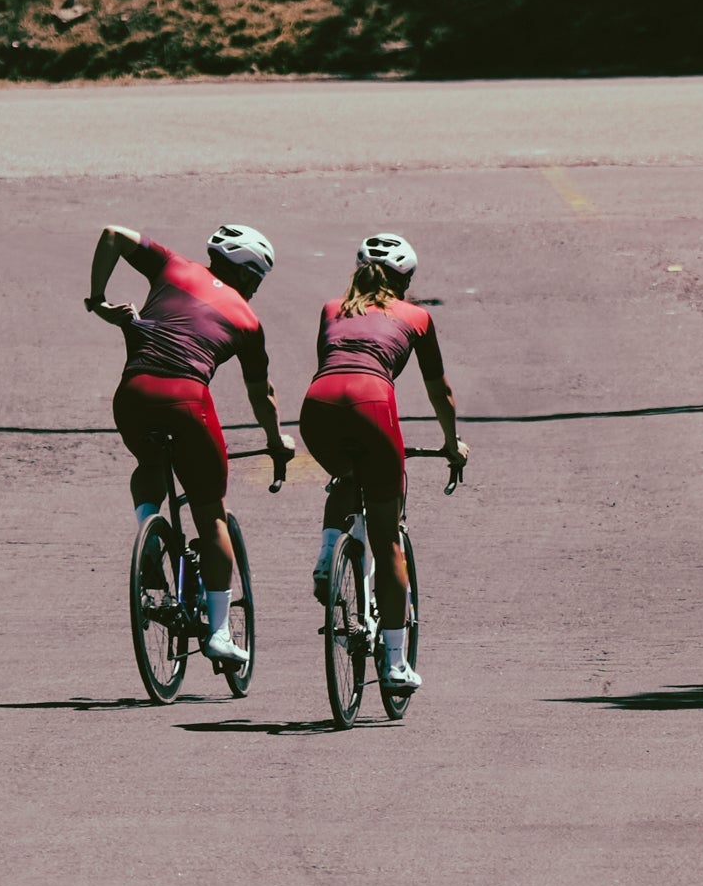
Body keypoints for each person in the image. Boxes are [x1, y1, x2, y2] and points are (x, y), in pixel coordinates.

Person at [86, 221, 293, 670]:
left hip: (133, 392)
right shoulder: (247, 320)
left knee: (150, 459)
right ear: (250, 275)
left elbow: (113, 234)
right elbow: (263, 393)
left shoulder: (173, 266)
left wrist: (98, 300)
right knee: (210, 511)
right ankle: (218, 632)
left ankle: (150, 533)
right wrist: (277, 442)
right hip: (187, 400)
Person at [297, 232, 466, 692]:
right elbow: (440, 392)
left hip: (318, 403)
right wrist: (452, 444)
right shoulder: (417, 316)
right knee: (387, 537)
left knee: (346, 475)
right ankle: (394, 663)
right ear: (405, 280)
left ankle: (329, 552)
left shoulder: (332, 308)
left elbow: (334, 365)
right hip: (373, 404)